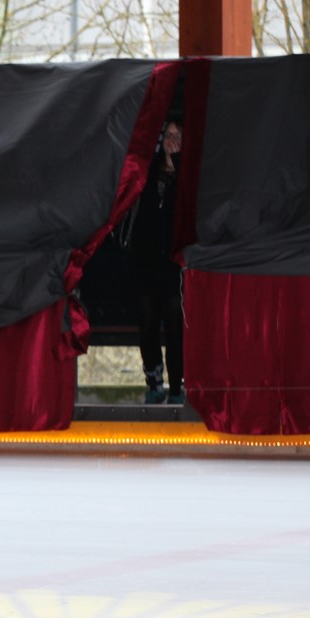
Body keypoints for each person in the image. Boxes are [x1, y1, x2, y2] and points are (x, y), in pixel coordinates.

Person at [124, 119, 184, 405]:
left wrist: (177, 162)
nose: (172, 140)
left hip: (173, 262)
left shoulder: (186, 177)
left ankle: (176, 386)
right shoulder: (148, 172)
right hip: (147, 260)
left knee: (175, 325)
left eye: (177, 136)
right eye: (168, 135)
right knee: (148, 324)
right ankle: (154, 382)